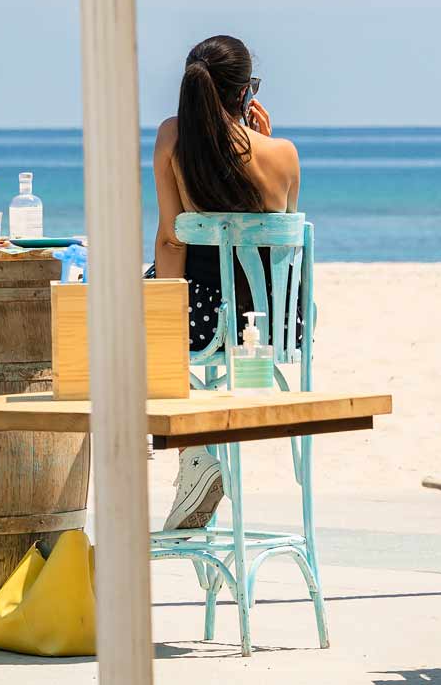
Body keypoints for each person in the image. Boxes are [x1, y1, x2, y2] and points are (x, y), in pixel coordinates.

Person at [149, 34, 300, 532]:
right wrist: (267, 140)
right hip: (275, 326)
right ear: (244, 95)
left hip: (206, 322)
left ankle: (195, 457)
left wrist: (165, 320)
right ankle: (195, 463)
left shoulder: (172, 138)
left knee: (112, 330)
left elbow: (172, 243)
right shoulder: (284, 154)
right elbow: (278, 251)